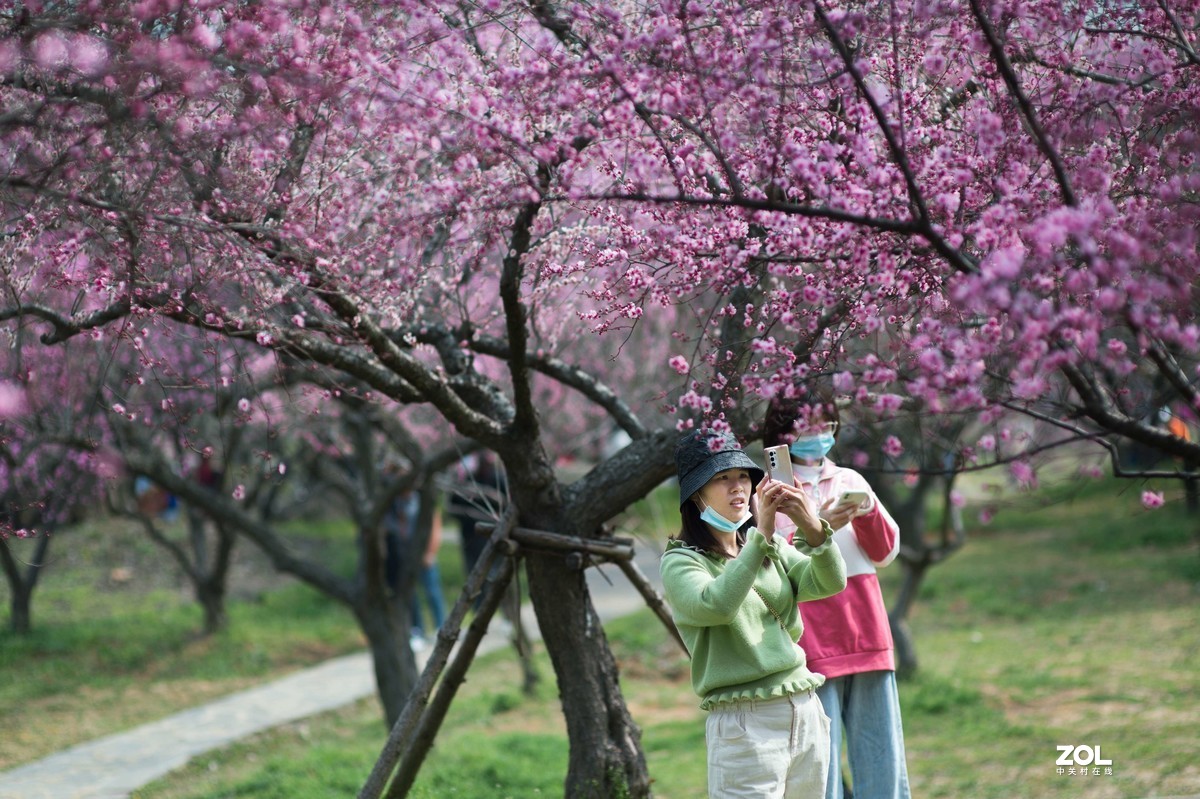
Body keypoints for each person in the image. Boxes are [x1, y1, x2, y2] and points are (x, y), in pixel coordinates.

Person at [660, 429, 847, 799]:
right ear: (696, 494)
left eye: (743, 476)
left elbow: (828, 583)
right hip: (745, 720)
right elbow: (716, 604)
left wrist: (811, 526)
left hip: (804, 707)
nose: (738, 488)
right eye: (721, 479)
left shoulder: (768, 544)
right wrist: (761, 533)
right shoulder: (681, 562)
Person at [763, 395, 911, 799]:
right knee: (818, 764)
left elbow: (885, 552)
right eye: (810, 425)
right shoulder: (773, 493)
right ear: (785, 432)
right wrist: (816, 527)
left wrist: (865, 513)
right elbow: (768, 565)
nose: (821, 435)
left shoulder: (850, 480)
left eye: (828, 425)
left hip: (864, 631)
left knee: (882, 758)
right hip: (810, 643)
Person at [385, 489, 447, 651]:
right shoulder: (393, 502)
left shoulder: (422, 499)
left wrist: (430, 552)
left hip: (425, 554)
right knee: (411, 597)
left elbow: (435, 525)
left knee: (432, 592)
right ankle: (417, 631)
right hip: (404, 555)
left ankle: (443, 628)